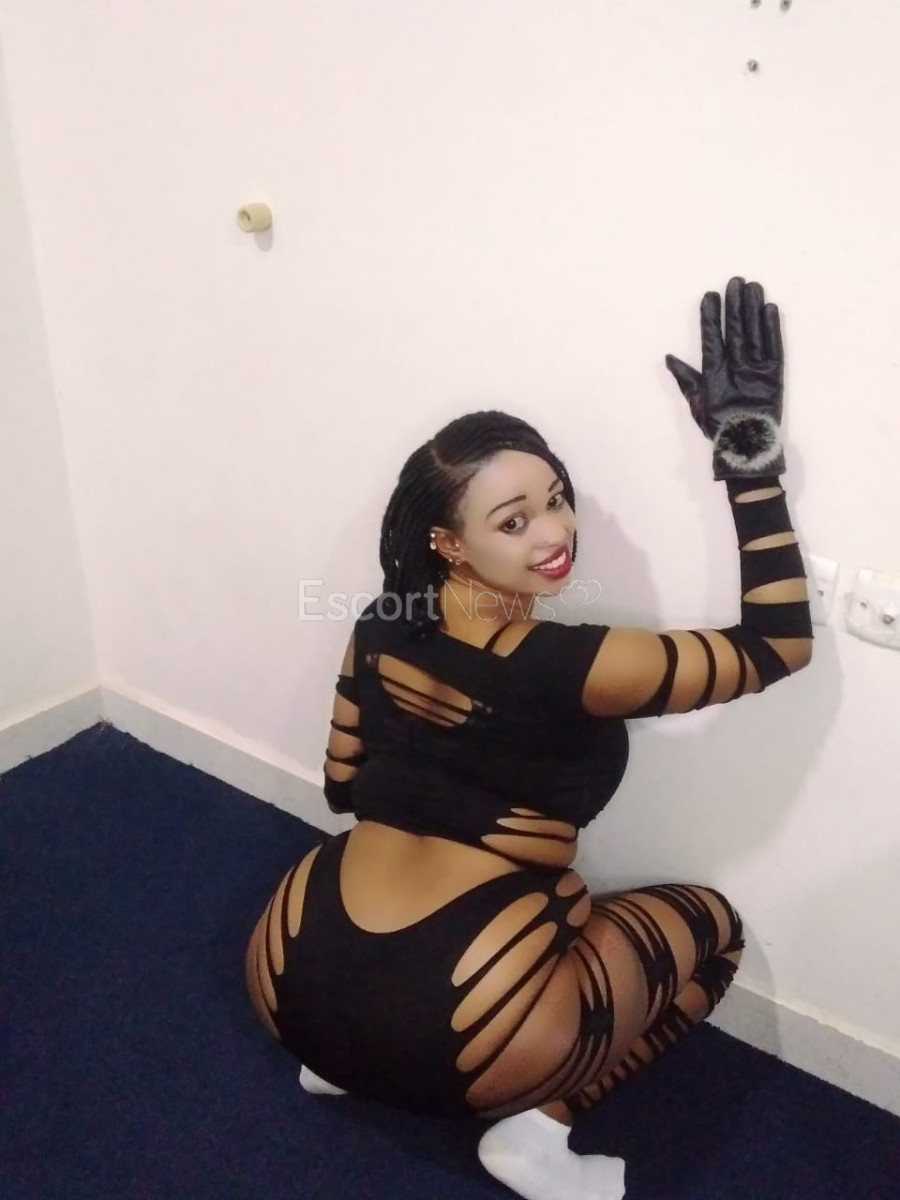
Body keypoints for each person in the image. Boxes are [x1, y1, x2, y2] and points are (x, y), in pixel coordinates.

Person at [245, 277, 813, 1200]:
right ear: (449, 541)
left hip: (289, 988)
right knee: (715, 930)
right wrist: (749, 452)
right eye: (514, 522)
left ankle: (344, 1063)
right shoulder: (578, 664)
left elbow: (340, 783)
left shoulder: (382, 622)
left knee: (389, 886)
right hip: (476, 1037)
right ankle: (537, 1133)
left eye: (556, 498)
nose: (556, 533)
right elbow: (779, 644)